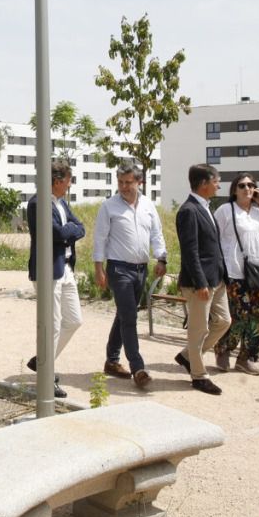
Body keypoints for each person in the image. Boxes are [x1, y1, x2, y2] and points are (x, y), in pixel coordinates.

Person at [92, 159, 167, 389]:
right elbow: (100, 238)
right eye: (120, 182)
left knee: (125, 314)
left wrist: (161, 258)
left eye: (128, 182)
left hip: (141, 270)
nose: (123, 187)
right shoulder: (109, 206)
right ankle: (138, 367)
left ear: (139, 182)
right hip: (118, 269)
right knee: (130, 317)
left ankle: (112, 360)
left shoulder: (148, 206)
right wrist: (99, 268)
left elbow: (156, 234)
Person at [212, 171, 259, 376]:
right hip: (234, 272)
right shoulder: (226, 210)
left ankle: (247, 358)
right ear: (234, 190)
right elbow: (213, 238)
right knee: (238, 316)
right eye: (242, 185)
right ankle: (223, 350)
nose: (247, 189)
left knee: (257, 318)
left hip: (257, 271)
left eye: (251, 185)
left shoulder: (258, 212)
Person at [25, 160, 85, 399]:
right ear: (58, 181)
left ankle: (41, 361)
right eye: (69, 181)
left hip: (65, 268)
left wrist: (68, 231)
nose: (70, 185)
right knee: (52, 325)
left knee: (74, 320)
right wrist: (68, 232)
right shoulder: (38, 203)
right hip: (48, 270)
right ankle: (46, 377)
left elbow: (79, 227)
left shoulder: (60, 203)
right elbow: (58, 233)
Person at [175, 163, 231, 395]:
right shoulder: (188, 210)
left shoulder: (206, 207)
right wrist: (200, 283)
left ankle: (188, 357)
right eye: (216, 181)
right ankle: (199, 376)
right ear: (204, 183)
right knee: (198, 331)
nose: (219, 185)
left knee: (224, 321)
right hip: (200, 283)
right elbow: (190, 251)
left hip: (216, 279)